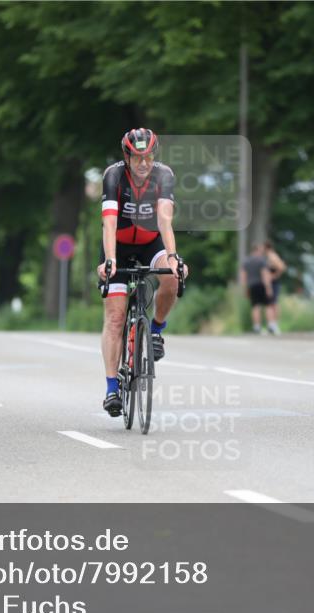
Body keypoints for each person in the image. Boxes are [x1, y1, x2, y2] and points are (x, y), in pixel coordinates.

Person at [96, 128, 188, 417]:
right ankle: (112, 388)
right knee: (115, 316)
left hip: (151, 243)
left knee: (172, 276)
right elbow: (109, 223)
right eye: (138, 158)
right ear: (127, 157)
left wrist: (172, 257)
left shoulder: (164, 175)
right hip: (118, 246)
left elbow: (164, 219)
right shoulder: (114, 176)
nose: (144, 163)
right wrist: (109, 260)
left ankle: (157, 330)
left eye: (148, 156)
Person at [241, 243, 275, 334]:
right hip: (262, 285)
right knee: (268, 305)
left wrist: (245, 289)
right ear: (257, 250)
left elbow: (243, 277)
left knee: (255, 306)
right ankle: (271, 325)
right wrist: (268, 287)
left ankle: (257, 327)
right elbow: (265, 274)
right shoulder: (261, 260)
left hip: (251, 285)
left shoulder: (246, 261)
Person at [263, 240, 287, 335]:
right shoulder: (270, 256)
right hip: (272, 283)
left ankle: (274, 325)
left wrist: (275, 276)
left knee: (271, 304)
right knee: (271, 304)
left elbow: (282, 267)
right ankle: (271, 326)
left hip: (273, 283)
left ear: (266, 248)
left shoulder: (272, 256)